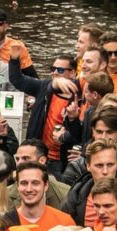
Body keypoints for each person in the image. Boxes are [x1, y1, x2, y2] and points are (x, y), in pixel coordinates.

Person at [9, 46, 78, 177]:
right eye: (53, 69)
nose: (55, 73)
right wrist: (14, 59)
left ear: (72, 73)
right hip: (38, 154)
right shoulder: (44, 87)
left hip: (61, 160)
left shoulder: (78, 98)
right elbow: (17, 80)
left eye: (61, 70)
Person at [6, 162, 74, 231]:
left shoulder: (65, 222)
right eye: (24, 183)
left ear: (46, 186)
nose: (29, 189)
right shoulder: (5, 223)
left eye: (35, 183)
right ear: (18, 186)